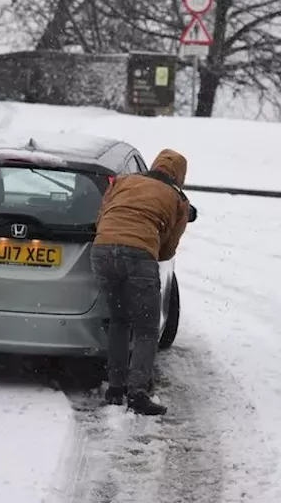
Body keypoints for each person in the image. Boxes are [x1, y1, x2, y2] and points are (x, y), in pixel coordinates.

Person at [91, 149, 190, 416]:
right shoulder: (177, 198)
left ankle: (115, 388)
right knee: (146, 328)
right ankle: (137, 392)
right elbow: (168, 248)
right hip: (139, 254)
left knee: (119, 320)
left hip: (101, 251)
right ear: (179, 175)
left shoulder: (124, 182)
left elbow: (102, 216)